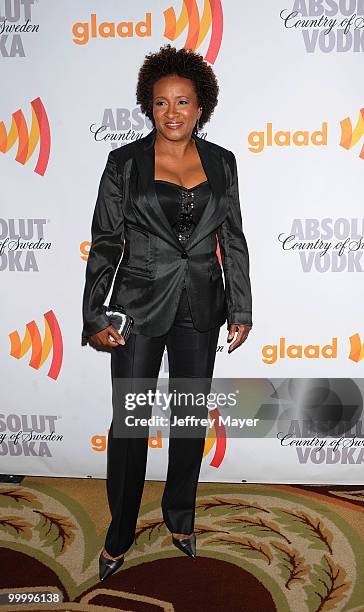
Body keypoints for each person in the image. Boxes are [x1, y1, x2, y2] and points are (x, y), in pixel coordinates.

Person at [81, 44, 253, 582]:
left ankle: (180, 518)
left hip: (201, 305)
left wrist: (241, 305)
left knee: (188, 419)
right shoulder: (124, 164)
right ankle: (119, 532)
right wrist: (95, 316)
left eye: (183, 102)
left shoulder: (222, 163)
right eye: (161, 103)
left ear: (202, 107)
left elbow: (234, 239)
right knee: (131, 424)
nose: (172, 112)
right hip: (136, 306)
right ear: (147, 107)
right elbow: (105, 242)